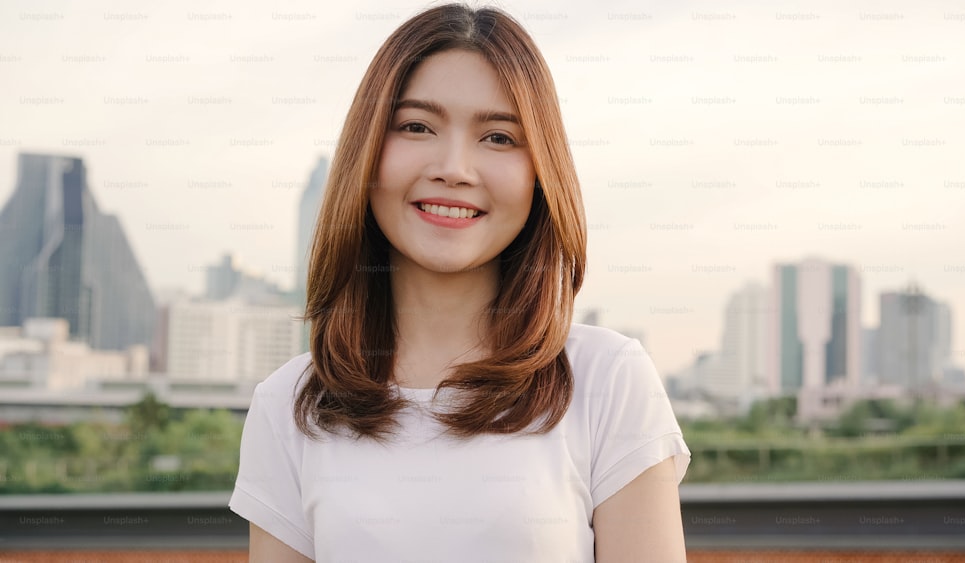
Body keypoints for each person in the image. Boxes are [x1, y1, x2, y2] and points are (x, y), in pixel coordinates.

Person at [228, 4, 691, 562]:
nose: (454, 167)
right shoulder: (290, 404)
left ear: (540, 175)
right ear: (366, 152)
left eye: (498, 137)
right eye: (416, 127)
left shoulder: (607, 380)